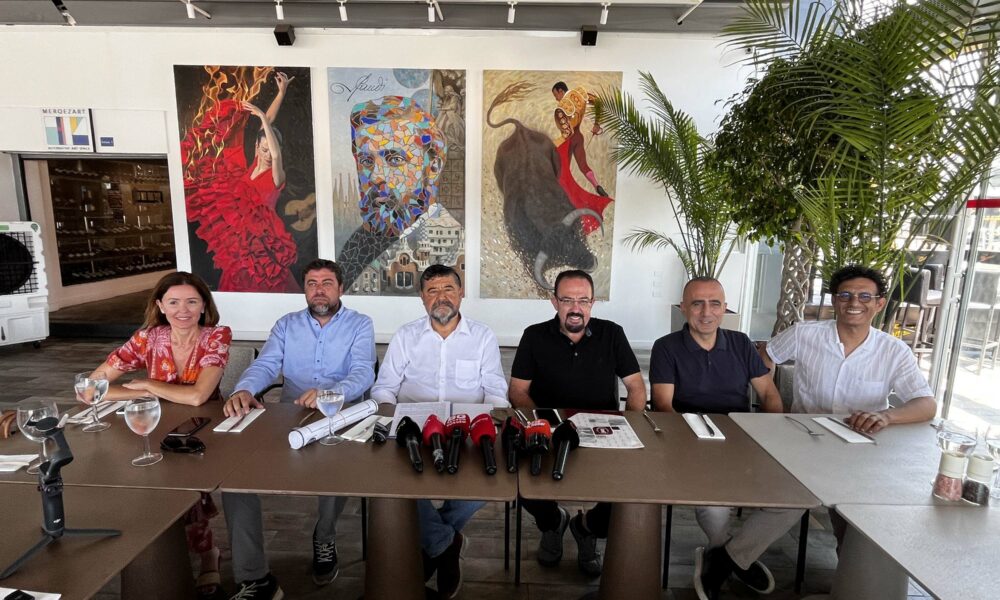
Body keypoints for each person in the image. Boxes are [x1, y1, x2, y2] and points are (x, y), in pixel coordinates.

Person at [222, 259, 376, 600]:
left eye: (326, 283)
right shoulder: (286, 324)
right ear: (304, 290)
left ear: (341, 288)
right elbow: (266, 364)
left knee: (335, 468)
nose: (319, 290)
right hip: (290, 415)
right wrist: (244, 390)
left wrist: (330, 393)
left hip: (340, 414)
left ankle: (325, 536)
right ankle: (252, 575)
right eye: (311, 283)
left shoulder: (359, 324)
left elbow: (364, 371)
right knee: (234, 480)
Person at [762, 264, 936, 556]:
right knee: (794, 498)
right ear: (834, 300)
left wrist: (886, 416)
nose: (854, 302)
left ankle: (853, 567)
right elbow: (765, 358)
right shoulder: (804, 334)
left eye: (865, 296)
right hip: (804, 440)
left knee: (860, 512)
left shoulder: (894, 351)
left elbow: (926, 404)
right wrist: (772, 402)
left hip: (862, 448)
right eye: (845, 295)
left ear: (879, 304)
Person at [87, 271, 231, 600]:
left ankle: (207, 553)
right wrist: (144, 393)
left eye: (192, 302)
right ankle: (183, 552)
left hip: (203, 427)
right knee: (156, 485)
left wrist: (150, 384)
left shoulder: (216, 335)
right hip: (156, 423)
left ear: (204, 305)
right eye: (174, 302)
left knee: (185, 487)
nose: (183, 310)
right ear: (160, 306)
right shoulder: (147, 338)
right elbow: (90, 389)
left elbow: (198, 396)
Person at [649, 277, 792, 600]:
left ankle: (726, 558)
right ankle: (729, 553)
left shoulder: (741, 344)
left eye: (715, 303)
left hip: (744, 442)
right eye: (697, 303)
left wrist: (770, 435)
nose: (706, 312)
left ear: (725, 308)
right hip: (690, 444)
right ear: (683, 308)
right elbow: (663, 406)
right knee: (715, 504)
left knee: (793, 500)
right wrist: (693, 441)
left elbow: (769, 394)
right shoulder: (667, 347)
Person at [371, 264, 508, 599]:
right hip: (413, 433)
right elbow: (384, 388)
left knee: (486, 485)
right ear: (422, 298)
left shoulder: (482, 337)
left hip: (467, 433)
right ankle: (445, 544)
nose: (441, 297)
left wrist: (487, 422)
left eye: (448, 289)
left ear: (461, 293)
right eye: (432, 291)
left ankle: (436, 540)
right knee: (395, 484)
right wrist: (391, 417)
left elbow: (495, 392)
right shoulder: (406, 336)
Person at [508, 269, 646, 576]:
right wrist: (541, 425)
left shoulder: (612, 334)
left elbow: (636, 388)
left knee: (631, 489)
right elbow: (517, 391)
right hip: (550, 430)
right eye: (567, 300)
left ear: (593, 303)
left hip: (602, 431)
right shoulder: (534, 335)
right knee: (518, 481)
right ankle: (552, 522)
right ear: (554, 302)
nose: (575, 308)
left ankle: (587, 527)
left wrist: (632, 427)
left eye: (583, 300)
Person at [182, 69, 300, 293]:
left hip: (262, 245)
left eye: (270, 150)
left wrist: (262, 117)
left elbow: (275, 154)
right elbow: (267, 125)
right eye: (263, 149)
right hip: (240, 243)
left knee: (269, 287)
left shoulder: (277, 176)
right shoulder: (249, 168)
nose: (267, 154)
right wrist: (280, 93)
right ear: (256, 147)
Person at [337, 95, 456, 290]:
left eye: (395, 160)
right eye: (366, 161)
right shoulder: (356, 244)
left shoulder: (451, 243)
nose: (376, 176)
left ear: (433, 166)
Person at [550, 81, 613, 236]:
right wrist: (597, 124)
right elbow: (598, 102)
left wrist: (552, 144)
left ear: (560, 91)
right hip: (579, 137)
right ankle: (596, 185)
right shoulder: (580, 92)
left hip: (569, 141)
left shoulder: (560, 109)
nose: (556, 99)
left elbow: (566, 134)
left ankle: (562, 204)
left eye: (556, 95)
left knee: (562, 174)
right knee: (583, 166)